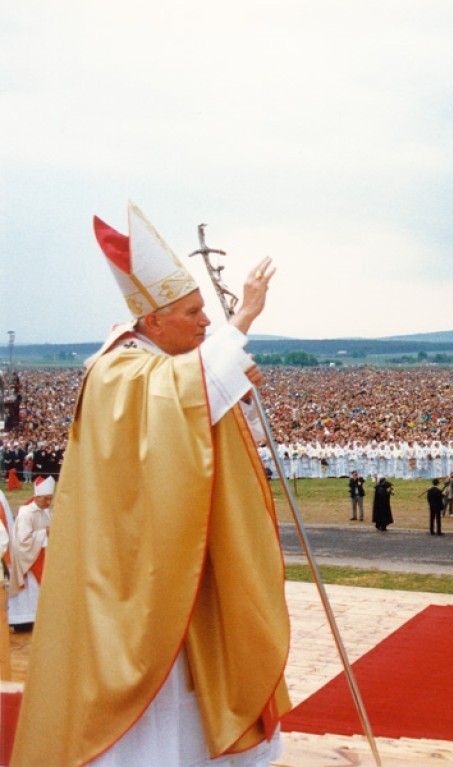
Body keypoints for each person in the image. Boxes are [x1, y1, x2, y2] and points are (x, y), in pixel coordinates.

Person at [13, 203, 291, 767]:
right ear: (154, 320)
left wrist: (231, 382)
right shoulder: (117, 370)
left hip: (179, 561)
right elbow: (175, 407)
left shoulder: (166, 362)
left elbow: (190, 411)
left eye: (207, 314)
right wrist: (242, 325)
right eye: (193, 313)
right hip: (134, 578)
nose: (205, 322)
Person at [7, 477, 55, 631]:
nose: (48, 502)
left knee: (39, 592)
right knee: (29, 592)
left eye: (50, 499)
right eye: (46, 499)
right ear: (37, 497)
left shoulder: (46, 511)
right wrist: (44, 533)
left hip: (42, 556)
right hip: (28, 560)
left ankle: (38, 618)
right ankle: (22, 620)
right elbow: (22, 541)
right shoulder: (26, 513)